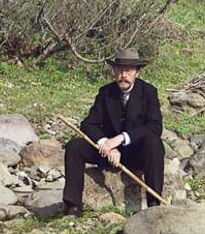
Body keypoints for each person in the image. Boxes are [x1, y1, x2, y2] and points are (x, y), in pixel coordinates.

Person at [62, 48, 164, 216]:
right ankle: (73, 206)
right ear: (114, 71)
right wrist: (105, 143)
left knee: (154, 143)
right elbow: (88, 124)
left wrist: (121, 139)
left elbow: (154, 127)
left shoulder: (149, 93)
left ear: (137, 73)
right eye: (120, 70)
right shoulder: (106, 92)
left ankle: (153, 204)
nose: (123, 75)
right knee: (75, 146)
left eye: (128, 70)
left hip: (136, 153)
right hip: (107, 153)